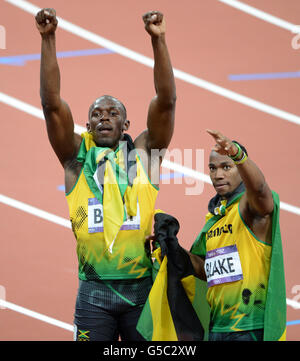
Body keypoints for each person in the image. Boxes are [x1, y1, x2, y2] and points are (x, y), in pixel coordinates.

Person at [35, 8, 176, 341]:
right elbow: (51, 104)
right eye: (96, 114)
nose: (104, 118)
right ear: (86, 125)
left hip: (141, 290)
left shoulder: (144, 154)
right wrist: (48, 38)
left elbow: (167, 101)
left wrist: (159, 41)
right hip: (93, 294)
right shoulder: (75, 158)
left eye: (113, 113)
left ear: (127, 125)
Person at [189, 129, 286, 341]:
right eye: (212, 168)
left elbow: (260, 190)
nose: (218, 175)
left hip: (250, 326)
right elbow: (204, 270)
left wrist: (238, 155)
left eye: (226, 167)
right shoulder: (214, 220)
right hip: (218, 328)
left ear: (241, 170)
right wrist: (169, 245)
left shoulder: (251, 209)